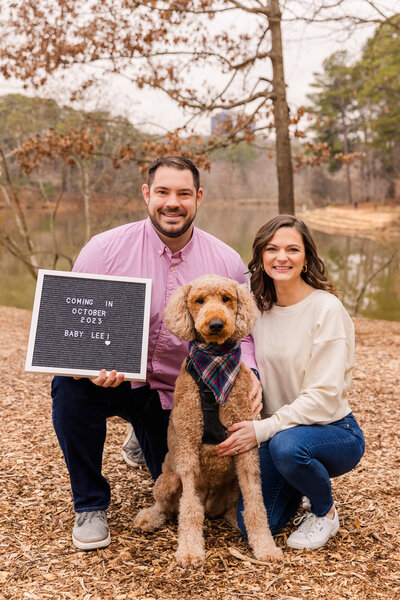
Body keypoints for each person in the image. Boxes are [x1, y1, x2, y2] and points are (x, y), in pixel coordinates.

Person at [51, 155, 262, 551]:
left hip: (170, 392)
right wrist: (84, 364)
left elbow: (245, 332)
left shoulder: (225, 260)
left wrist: (251, 375)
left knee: (172, 488)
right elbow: (69, 319)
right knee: (68, 391)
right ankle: (90, 504)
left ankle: (138, 436)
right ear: (147, 194)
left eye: (183, 193)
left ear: (198, 197)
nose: (172, 202)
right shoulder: (104, 249)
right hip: (108, 378)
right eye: (163, 191)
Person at [217, 214, 365, 551]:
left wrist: (261, 430)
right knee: (252, 523)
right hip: (276, 432)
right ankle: (298, 479)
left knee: (289, 447)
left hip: (331, 430)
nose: (281, 257)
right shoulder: (255, 306)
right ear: (260, 256)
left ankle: (325, 511)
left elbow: (323, 397)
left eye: (292, 249)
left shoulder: (326, 309)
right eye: (272, 249)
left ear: (306, 257)